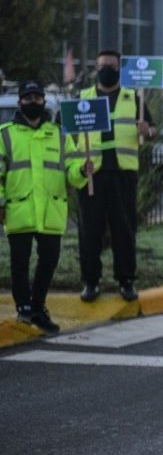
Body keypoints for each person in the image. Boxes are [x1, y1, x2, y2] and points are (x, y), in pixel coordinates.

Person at [0, 81, 91, 333]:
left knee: (49, 260)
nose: (33, 102)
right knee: (20, 263)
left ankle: (38, 307)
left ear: (44, 101)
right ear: (19, 102)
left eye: (37, 98)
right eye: (28, 98)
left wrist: (83, 171)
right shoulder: (5, 134)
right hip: (19, 210)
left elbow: (72, 171)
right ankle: (24, 309)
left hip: (51, 211)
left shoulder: (59, 134)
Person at [75, 49, 156, 303]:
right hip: (91, 175)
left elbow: (151, 129)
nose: (106, 70)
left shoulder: (134, 99)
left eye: (111, 66)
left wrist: (147, 130)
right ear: (95, 69)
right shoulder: (83, 98)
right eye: (101, 66)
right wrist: (77, 165)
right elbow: (66, 131)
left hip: (123, 175)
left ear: (120, 69)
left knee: (124, 230)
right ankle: (91, 282)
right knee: (90, 231)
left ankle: (126, 281)